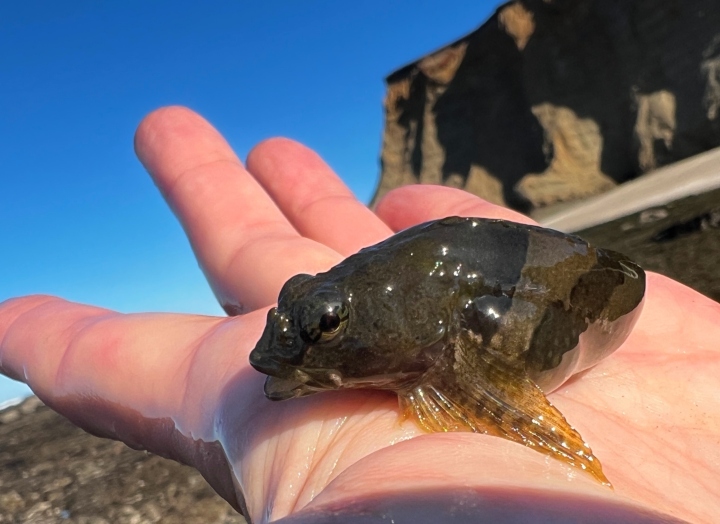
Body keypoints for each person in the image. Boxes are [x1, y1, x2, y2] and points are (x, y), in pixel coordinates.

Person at [0, 107, 717, 524]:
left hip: (578, 292)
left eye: (325, 328)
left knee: (491, 325)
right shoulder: (381, 303)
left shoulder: (438, 334)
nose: (277, 360)